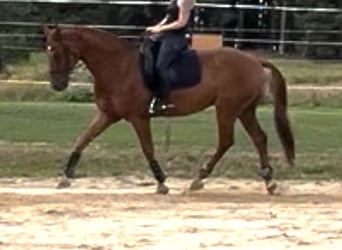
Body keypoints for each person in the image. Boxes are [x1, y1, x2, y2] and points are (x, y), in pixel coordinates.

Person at [146, 0, 195, 115]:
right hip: (165, 36)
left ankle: (162, 99)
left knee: (161, 66)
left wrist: (160, 29)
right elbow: (169, 17)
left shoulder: (185, 1)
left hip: (176, 39)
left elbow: (181, 22)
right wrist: (156, 27)